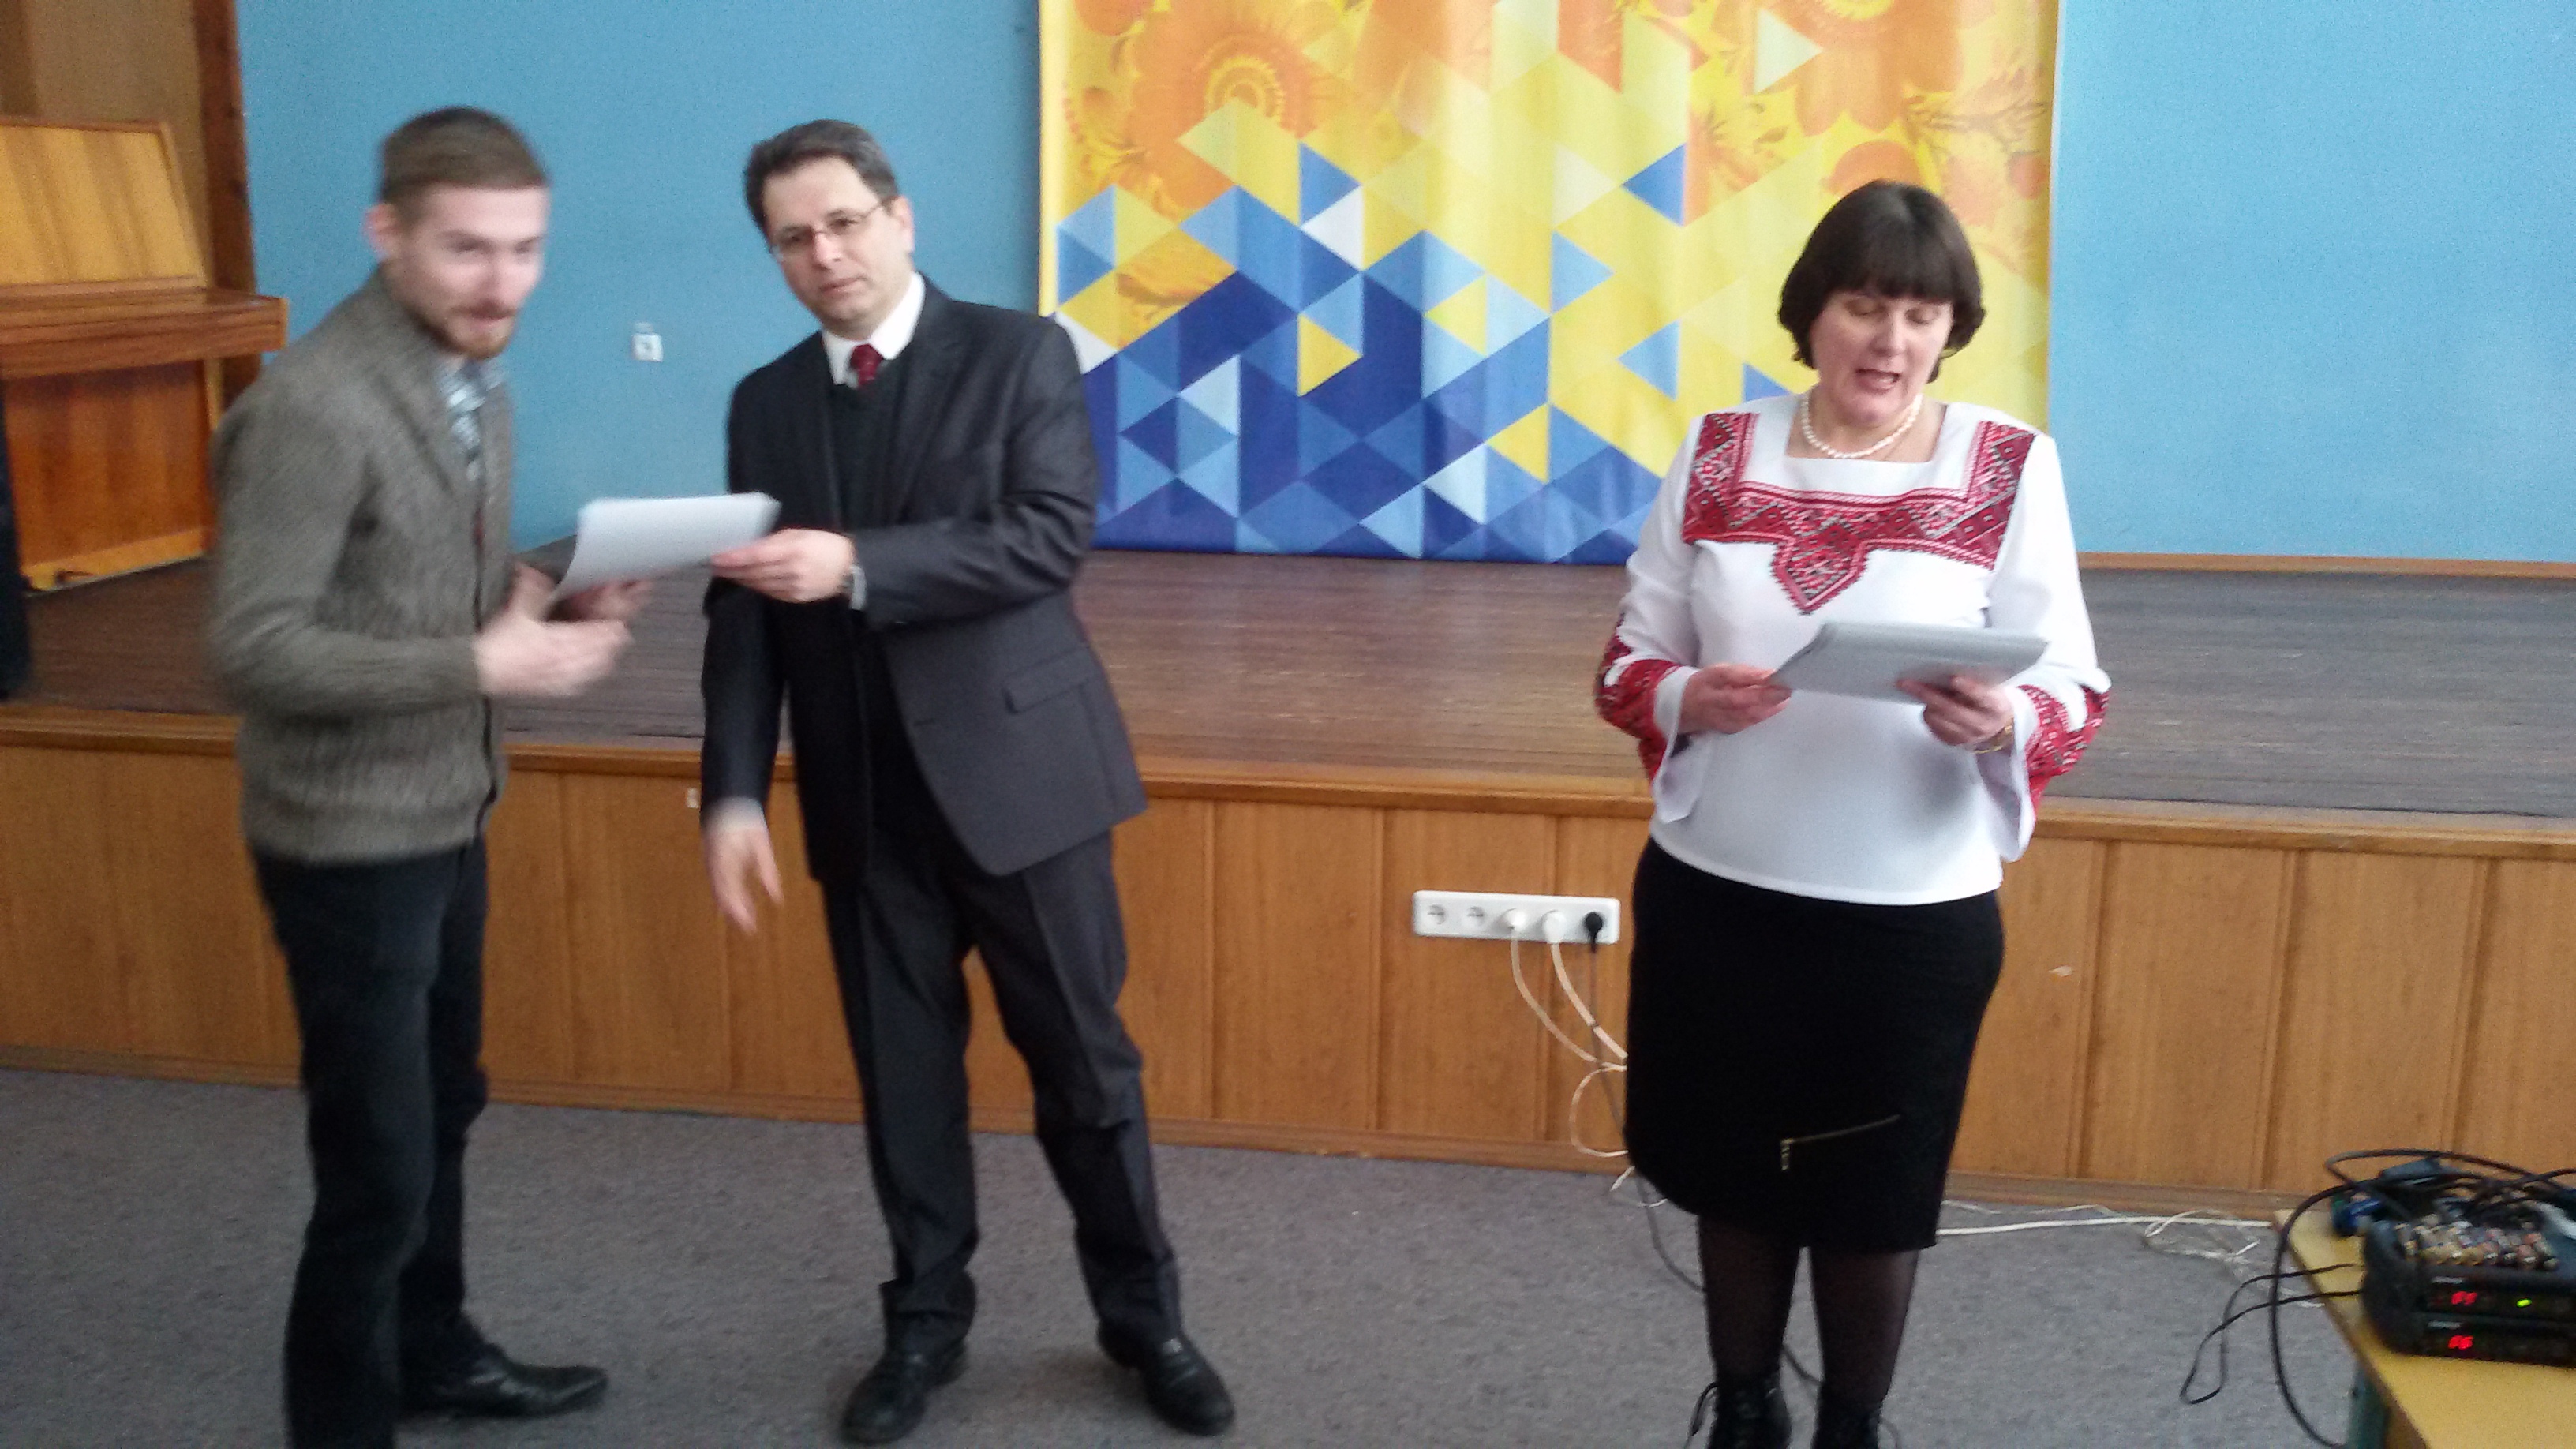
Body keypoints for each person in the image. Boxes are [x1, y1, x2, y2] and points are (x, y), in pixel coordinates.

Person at [696, 119, 1234, 1445]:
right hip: (862, 804)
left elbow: (1047, 539)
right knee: (903, 1088)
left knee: (1086, 1075)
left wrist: (857, 567)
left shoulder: (1017, 353)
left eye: (843, 222)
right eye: (792, 239)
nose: (825, 254)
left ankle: (1146, 1321)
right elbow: (744, 615)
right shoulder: (763, 403)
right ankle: (924, 1325)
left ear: (901, 217)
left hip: (1023, 786)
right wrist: (732, 792)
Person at [1594, 180, 2110, 1449]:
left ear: (1952, 330)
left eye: (1922, 315)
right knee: (1735, 1177)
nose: (1891, 340)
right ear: (1811, 314)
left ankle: (1853, 1427)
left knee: (1871, 1195)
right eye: (1866, 307)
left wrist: (2003, 721)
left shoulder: (2009, 462)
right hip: (1722, 889)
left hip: (1908, 912)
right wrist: (1687, 697)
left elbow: (2073, 689)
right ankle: (1746, 1412)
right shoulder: (1720, 449)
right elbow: (1626, 664)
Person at [206, 107, 646, 1449]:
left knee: (445, 1107)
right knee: (376, 1171)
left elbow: (412, 578)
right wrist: (482, 662)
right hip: (345, 841)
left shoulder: (469, 375)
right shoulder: (311, 408)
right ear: (385, 232)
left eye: (525, 250)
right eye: (467, 249)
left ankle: (432, 1351)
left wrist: (545, 588)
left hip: (449, 811)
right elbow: (252, 648)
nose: (502, 283)